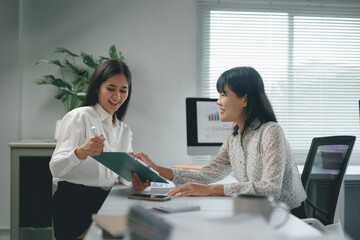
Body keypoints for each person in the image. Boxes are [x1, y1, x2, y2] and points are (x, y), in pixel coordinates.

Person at [131, 66, 307, 210]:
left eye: (223, 94)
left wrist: (211, 190)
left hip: (286, 217)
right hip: (257, 212)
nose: (218, 101)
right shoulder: (234, 137)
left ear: (244, 100)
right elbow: (209, 173)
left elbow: (271, 188)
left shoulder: (270, 131)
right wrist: (157, 169)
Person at [50, 59, 133, 240]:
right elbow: (55, 168)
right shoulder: (79, 117)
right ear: (97, 88)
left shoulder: (123, 130)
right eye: (111, 89)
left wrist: (136, 179)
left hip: (107, 202)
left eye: (123, 90)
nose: (117, 96)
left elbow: (123, 174)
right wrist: (82, 152)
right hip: (74, 204)